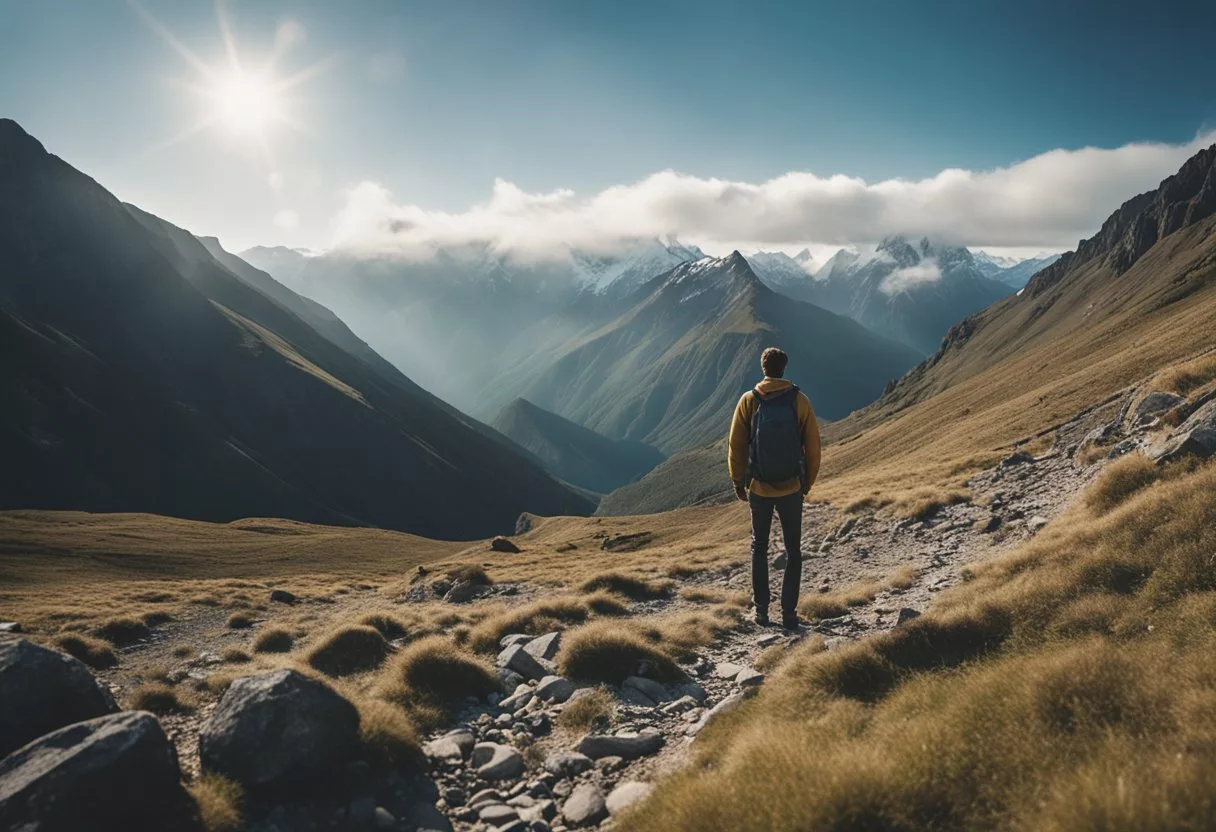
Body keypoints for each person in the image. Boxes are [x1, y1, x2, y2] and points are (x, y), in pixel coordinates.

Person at [727, 347, 822, 629]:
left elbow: (737, 445)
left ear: (763, 368)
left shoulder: (749, 400)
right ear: (784, 368)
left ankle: (761, 613)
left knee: (759, 547)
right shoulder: (800, 401)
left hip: (759, 487)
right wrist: (807, 483)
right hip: (792, 487)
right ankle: (789, 614)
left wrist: (737, 480)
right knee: (793, 551)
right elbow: (814, 447)